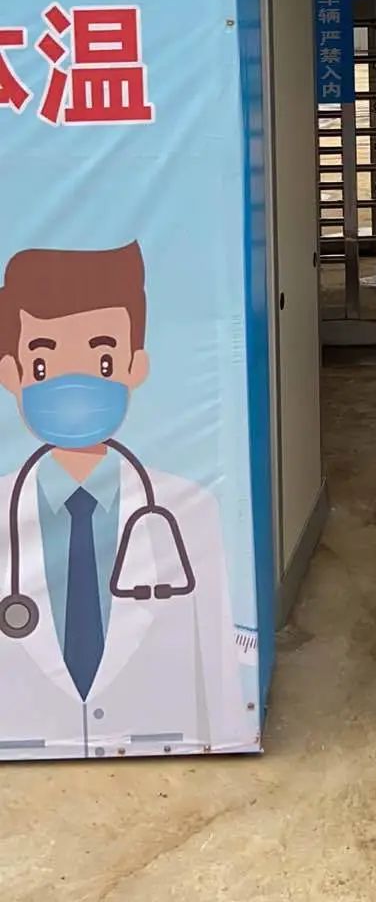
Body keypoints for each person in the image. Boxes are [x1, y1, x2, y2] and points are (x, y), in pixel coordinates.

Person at [0, 243, 256, 759]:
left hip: (162, 739)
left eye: (102, 360)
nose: (74, 385)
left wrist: (227, 733)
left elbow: (216, 664)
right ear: (12, 372)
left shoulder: (188, 509)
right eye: (44, 363)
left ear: (136, 366)